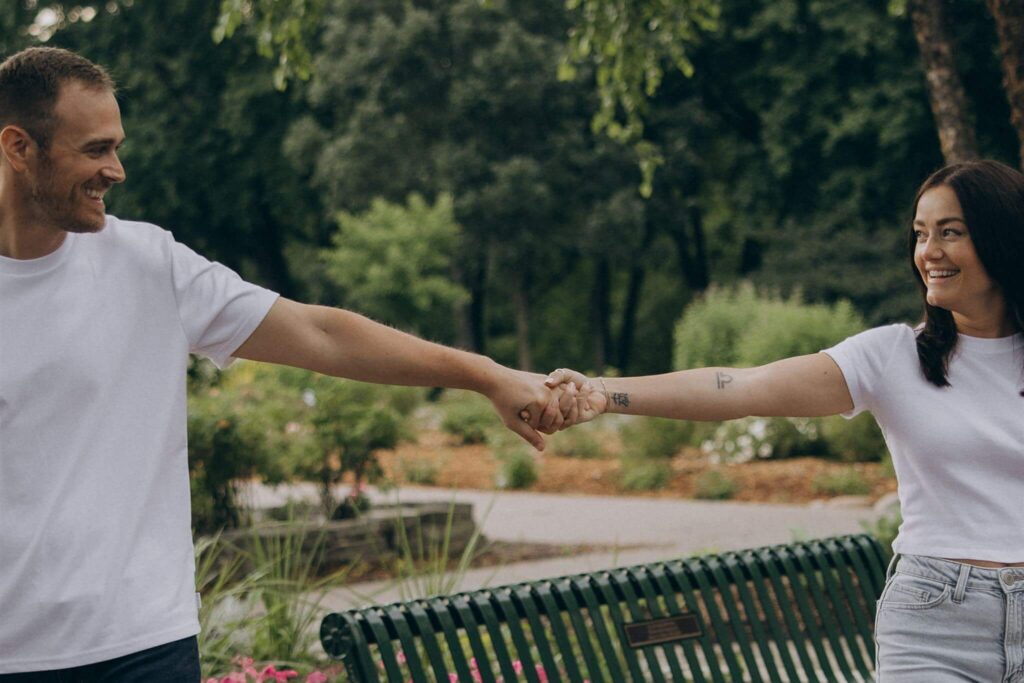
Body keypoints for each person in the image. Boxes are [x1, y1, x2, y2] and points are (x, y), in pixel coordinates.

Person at [0, 47, 572, 679]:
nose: (117, 169)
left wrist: (483, 374)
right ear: (19, 146)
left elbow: (320, 333)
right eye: (95, 149)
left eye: (117, 147)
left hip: (145, 642)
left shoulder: (150, 265)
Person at [547, 159, 1024, 681]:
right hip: (937, 622)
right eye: (920, 234)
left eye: (950, 233)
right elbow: (743, 386)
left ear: (1001, 236)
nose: (928, 252)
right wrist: (601, 394)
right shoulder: (893, 357)